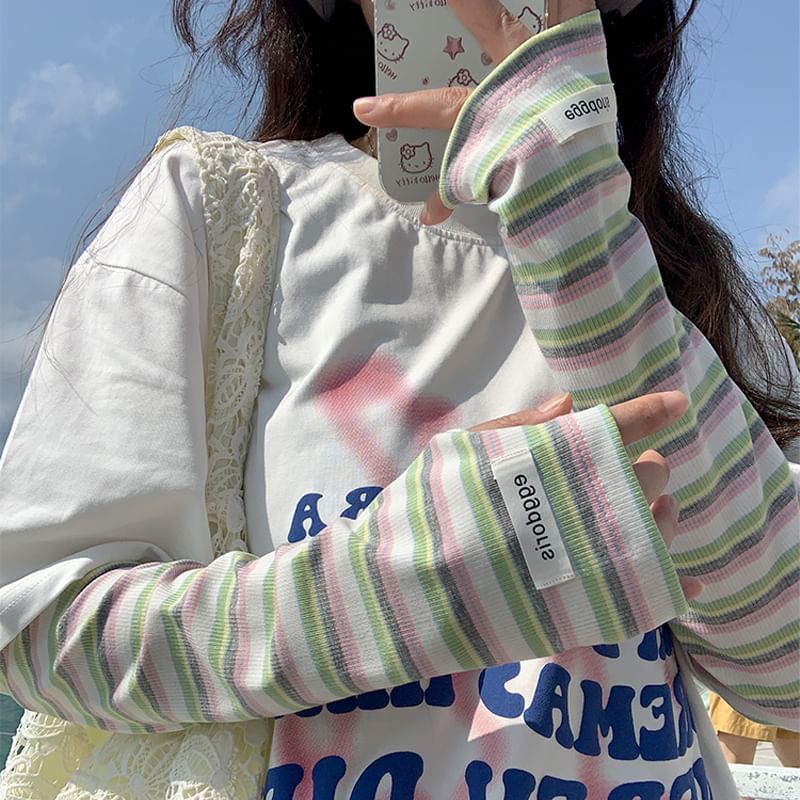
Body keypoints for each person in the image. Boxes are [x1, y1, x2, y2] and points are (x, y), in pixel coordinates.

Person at [0, 0, 798, 798]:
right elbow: (38, 630)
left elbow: (785, 674)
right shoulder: (222, 206)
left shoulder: (678, 279)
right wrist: (420, 582)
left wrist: (587, 249)